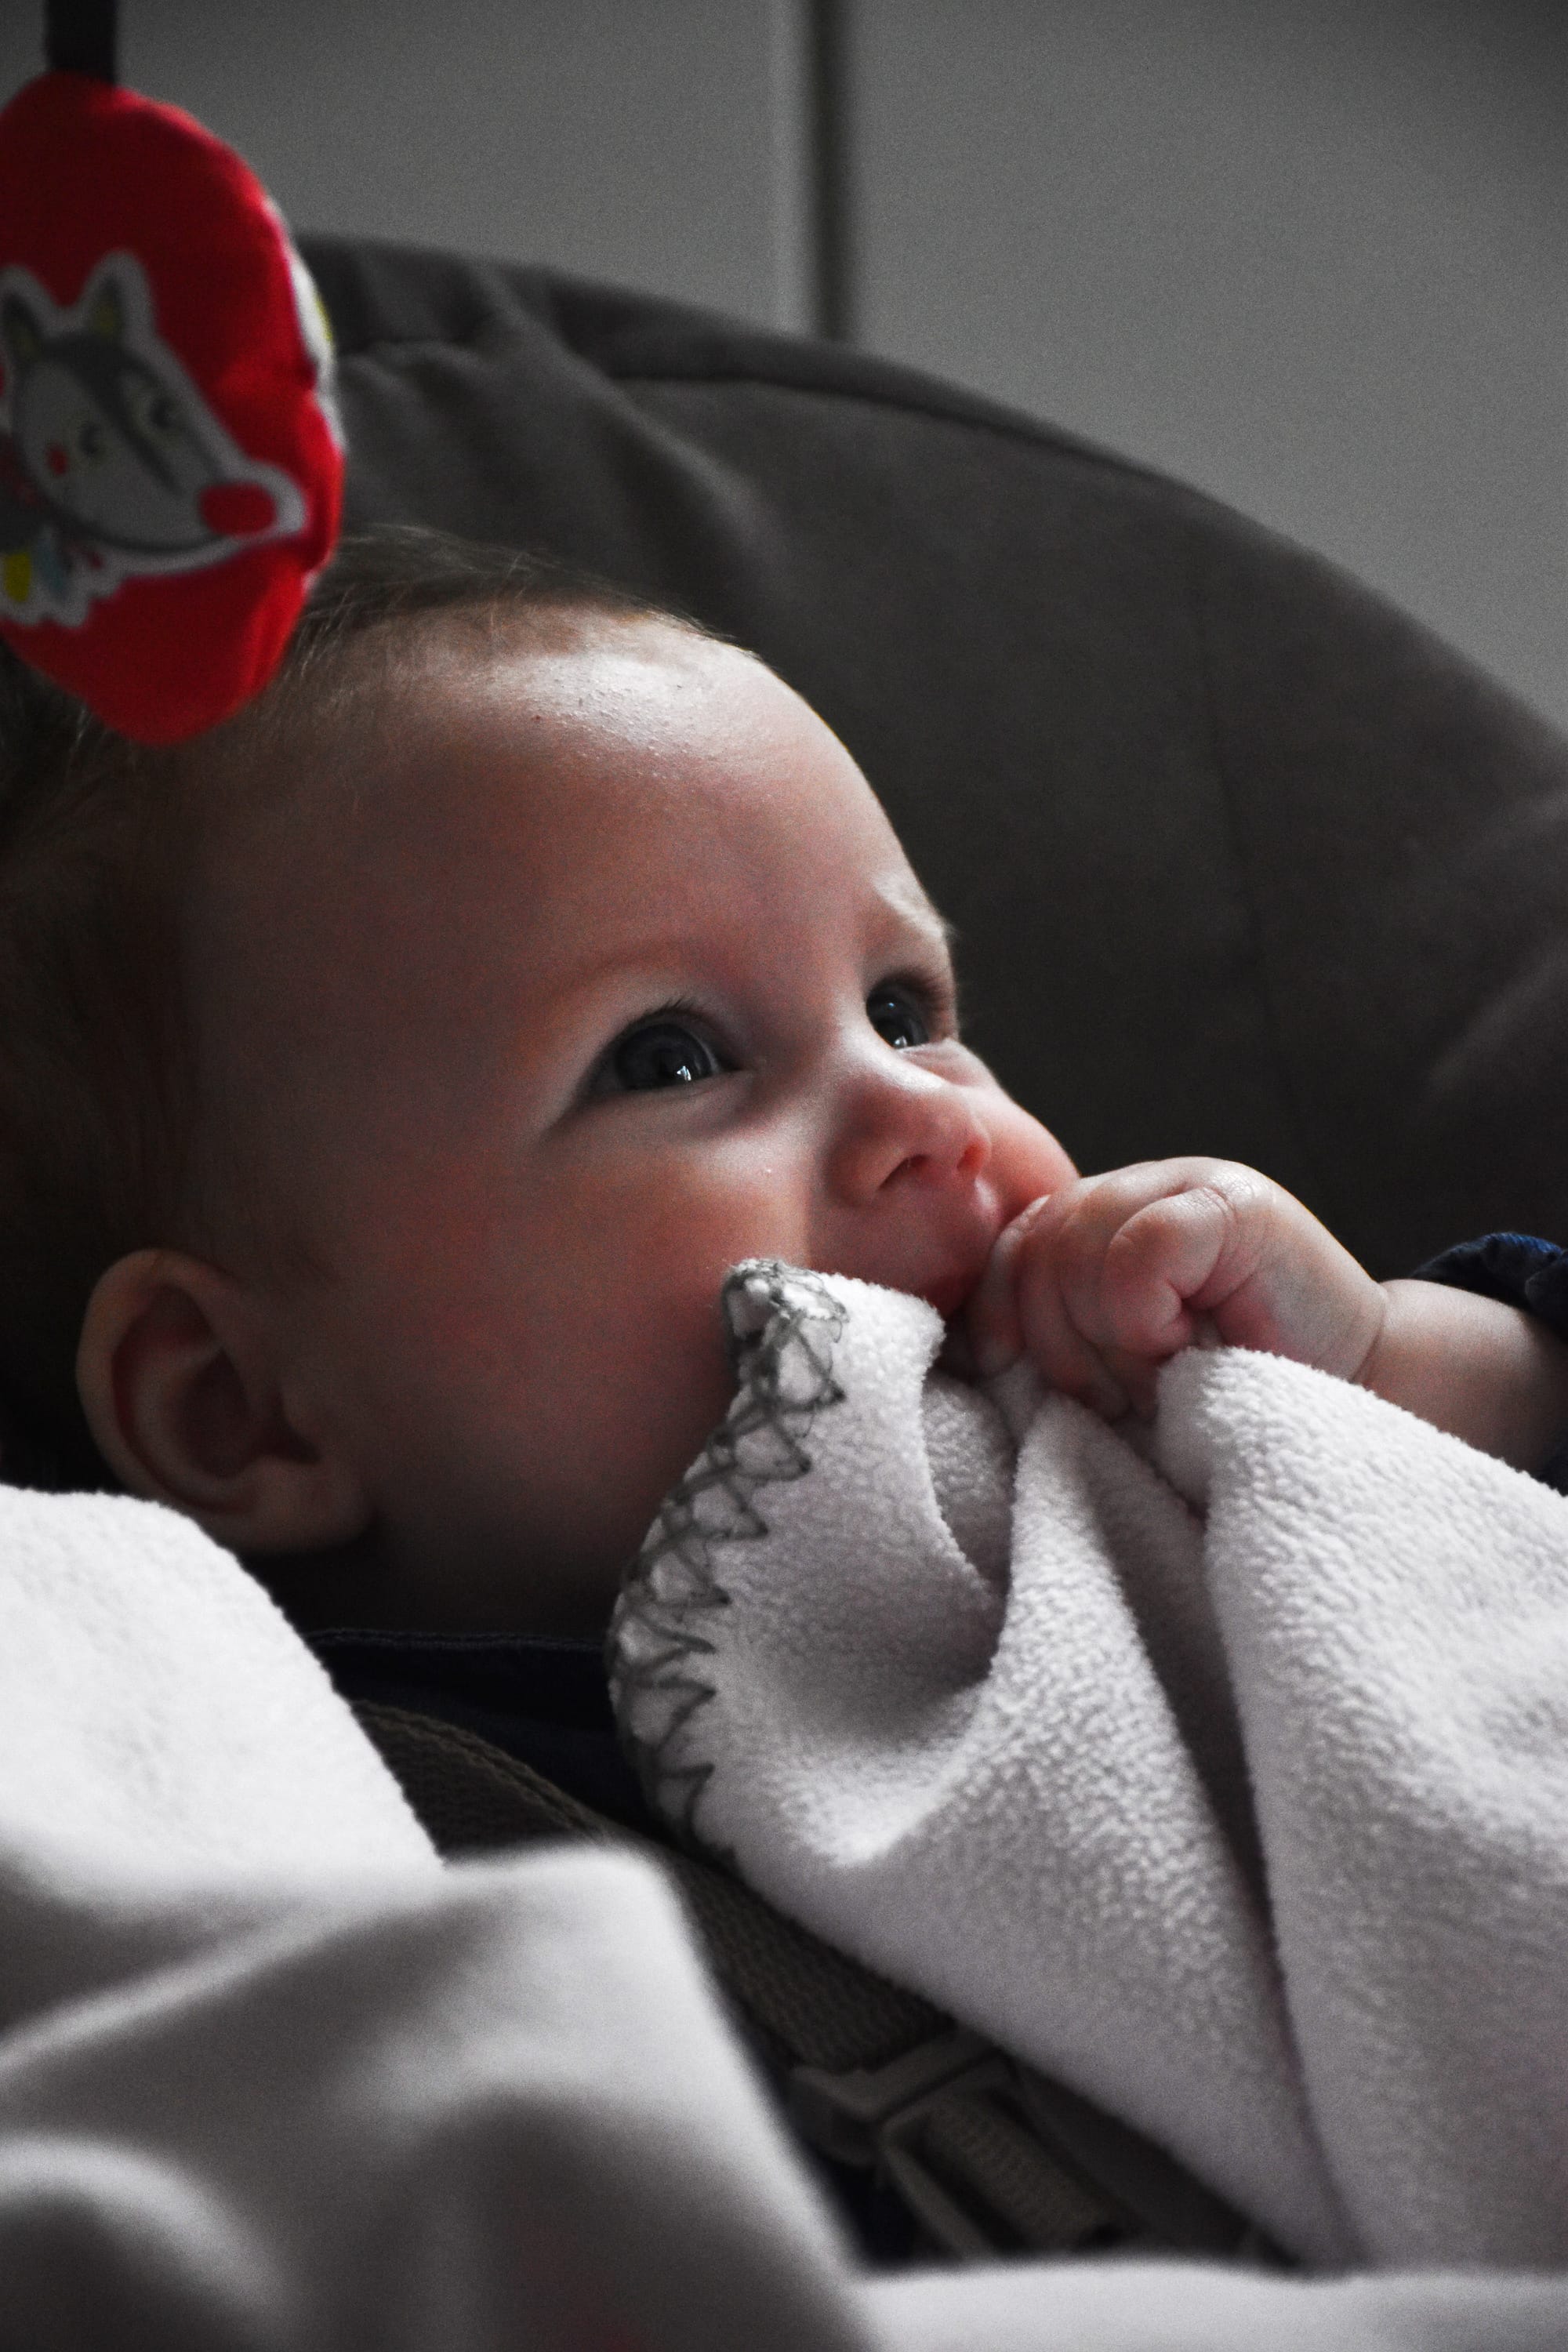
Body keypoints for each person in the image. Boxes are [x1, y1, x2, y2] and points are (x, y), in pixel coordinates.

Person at [3, 523, 1568, 2269]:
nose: (924, 1115)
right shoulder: (257, 1776)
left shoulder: (1110, 1438)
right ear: (243, 1411)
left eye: (905, 1006)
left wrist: (1393, 1372)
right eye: (671, 1055)